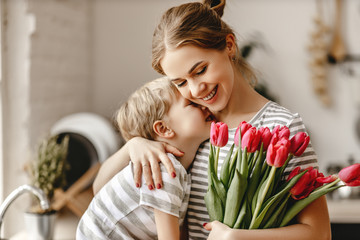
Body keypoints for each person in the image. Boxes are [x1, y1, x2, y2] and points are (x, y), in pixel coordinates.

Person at [93, 1, 332, 239]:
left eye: (200, 70)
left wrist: (236, 237)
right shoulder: (189, 127)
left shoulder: (283, 127)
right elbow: (99, 190)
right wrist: (134, 145)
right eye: (181, 82)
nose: (196, 90)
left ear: (229, 45)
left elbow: (319, 233)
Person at [77, 77, 213, 240]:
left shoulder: (182, 170)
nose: (204, 105)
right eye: (192, 104)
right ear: (164, 128)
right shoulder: (164, 169)